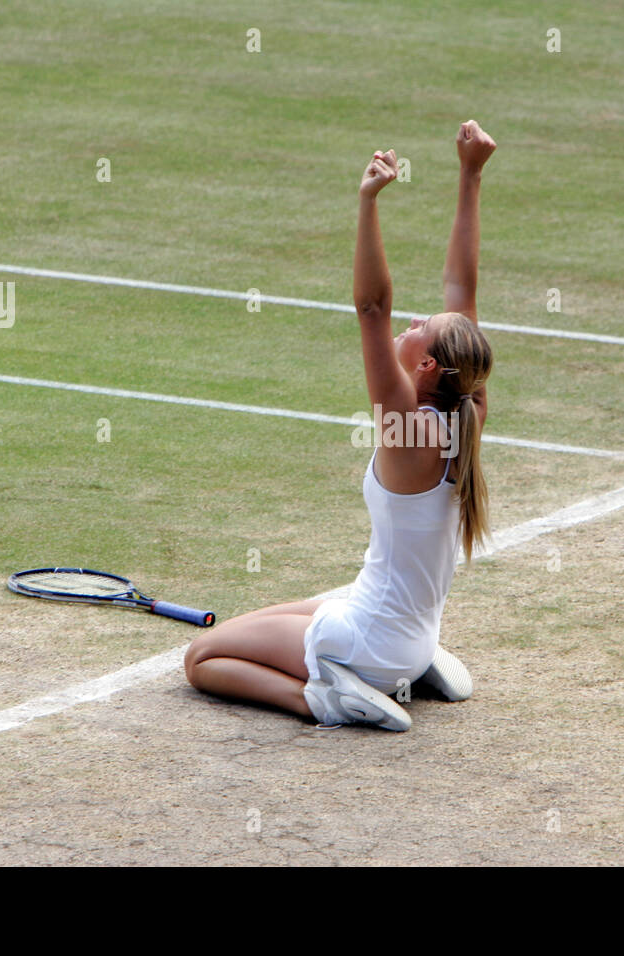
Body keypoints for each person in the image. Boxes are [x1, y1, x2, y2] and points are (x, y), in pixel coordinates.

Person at [184, 120, 498, 731]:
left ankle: (329, 699)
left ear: (427, 364)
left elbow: (372, 308)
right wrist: (469, 174)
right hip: (402, 628)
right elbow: (460, 288)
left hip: (371, 642)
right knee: (266, 615)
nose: (408, 324)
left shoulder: (406, 427)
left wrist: (368, 201)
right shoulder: (468, 408)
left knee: (203, 656)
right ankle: (416, 666)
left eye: (418, 330)